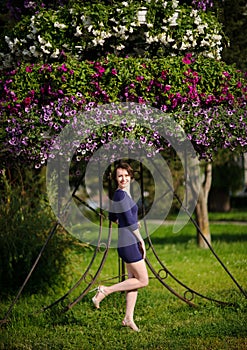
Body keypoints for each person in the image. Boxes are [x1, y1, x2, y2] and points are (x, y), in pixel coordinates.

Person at [92, 162, 149, 332]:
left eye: (126, 175)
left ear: (130, 177)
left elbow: (114, 217)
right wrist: (141, 240)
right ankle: (104, 291)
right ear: (116, 178)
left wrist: (128, 223)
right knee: (143, 280)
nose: (123, 179)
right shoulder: (121, 196)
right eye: (119, 176)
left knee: (134, 282)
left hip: (125, 241)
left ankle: (128, 318)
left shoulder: (120, 194)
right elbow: (130, 223)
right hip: (130, 242)